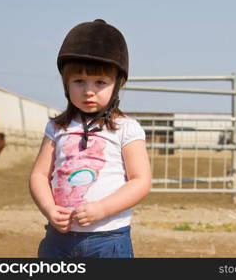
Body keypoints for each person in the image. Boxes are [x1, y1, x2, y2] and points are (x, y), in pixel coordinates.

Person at [29, 19, 152, 258]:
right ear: (66, 83)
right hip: (59, 240)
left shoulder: (127, 129)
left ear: (118, 84)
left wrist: (102, 209)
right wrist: (48, 209)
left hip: (108, 240)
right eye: (79, 81)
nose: (88, 91)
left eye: (100, 82)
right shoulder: (56, 127)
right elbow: (39, 175)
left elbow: (140, 180)